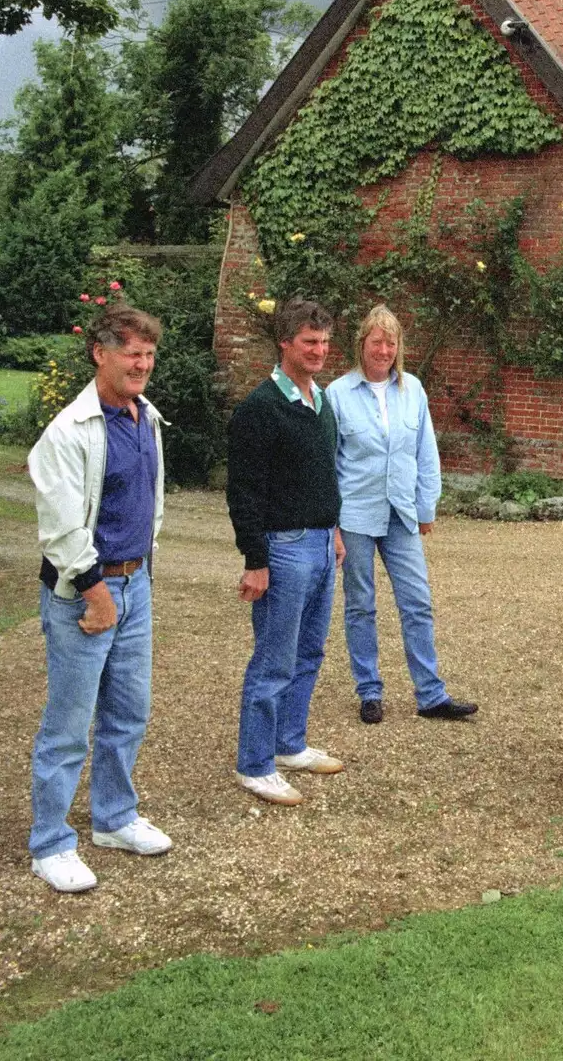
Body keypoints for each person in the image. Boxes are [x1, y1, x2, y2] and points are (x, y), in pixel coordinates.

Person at [28, 304, 171, 893]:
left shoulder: (146, 418)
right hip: (85, 594)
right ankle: (50, 842)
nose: (141, 364)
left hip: (135, 584)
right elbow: (60, 526)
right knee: (68, 725)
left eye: (148, 354)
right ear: (100, 354)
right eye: (131, 353)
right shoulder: (67, 431)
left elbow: (149, 504)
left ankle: (114, 819)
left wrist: (135, 580)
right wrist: (97, 594)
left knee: (128, 713)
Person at [327, 305, 477, 724]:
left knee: (417, 601)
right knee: (361, 604)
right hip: (354, 514)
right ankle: (369, 691)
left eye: (391, 342)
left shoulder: (413, 389)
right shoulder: (337, 394)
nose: (384, 349)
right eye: (377, 341)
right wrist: (332, 524)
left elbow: (425, 453)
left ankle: (431, 694)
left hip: (402, 513)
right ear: (362, 344)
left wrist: (426, 505)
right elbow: (327, 463)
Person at [228, 298, 345, 806]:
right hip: (283, 547)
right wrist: (255, 560)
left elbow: (325, 475)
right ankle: (254, 764)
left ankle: (288, 744)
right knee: (274, 659)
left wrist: (334, 529)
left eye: (324, 342)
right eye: (309, 342)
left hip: (320, 543)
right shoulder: (259, 409)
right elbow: (244, 492)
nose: (319, 351)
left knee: (310, 651)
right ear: (285, 344)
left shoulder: (321, 402)